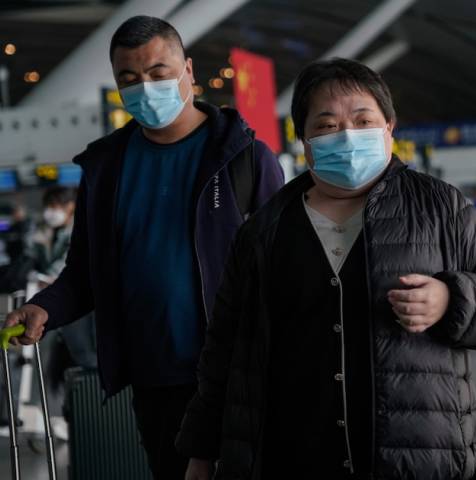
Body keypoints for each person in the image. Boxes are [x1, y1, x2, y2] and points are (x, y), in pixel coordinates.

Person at [176, 58, 476, 480]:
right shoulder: (265, 230)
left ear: (389, 128)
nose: (347, 135)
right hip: (293, 455)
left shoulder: (440, 208)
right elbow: (225, 348)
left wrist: (452, 298)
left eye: (362, 120)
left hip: (417, 458)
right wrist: (200, 451)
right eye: (326, 125)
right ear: (303, 138)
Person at [2, 15, 283, 479]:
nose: (145, 87)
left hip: (237, 376)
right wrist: (44, 309)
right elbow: (86, 272)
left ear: (189, 70)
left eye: (158, 73)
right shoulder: (106, 169)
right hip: (156, 380)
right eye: (129, 79)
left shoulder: (245, 158)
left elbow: (283, 269)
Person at [27, 187, 96, 440]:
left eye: (57, 206)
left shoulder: (79, 229)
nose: (51, 212)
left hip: (73, 305)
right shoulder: (44, 232)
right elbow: (32, 257)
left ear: (70, 206)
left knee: (85, 358)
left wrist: (48, 276)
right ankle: (56, 417)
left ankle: (88, 414)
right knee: (50, 364)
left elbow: (72, 264)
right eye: (49, 206)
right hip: (51, 305)